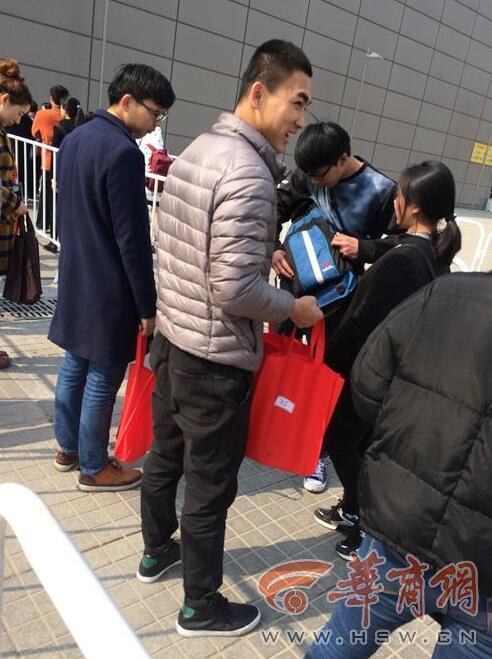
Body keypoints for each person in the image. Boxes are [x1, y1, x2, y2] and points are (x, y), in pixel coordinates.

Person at [138, 39, 322, 637]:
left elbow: (180, 242)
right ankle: (200, 607)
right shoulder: (248, 173)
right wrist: (294, 308)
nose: (301, 120)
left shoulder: (201, 149)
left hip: (174, 340)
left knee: (165, 456)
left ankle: (155, 552)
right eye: (297, 102)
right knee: (210, 488)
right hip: (213, 360)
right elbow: (235, 289)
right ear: (259, 92)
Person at [306, 270, 492, 659]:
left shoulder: (445, 293)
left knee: (336, 649)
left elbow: (367, 384)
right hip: (480, 569)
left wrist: (408, 430)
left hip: (400, 525)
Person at [313, 161, 462, 559]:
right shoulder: (434, 255)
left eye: (399, 194)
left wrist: (328, 359)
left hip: (370, 374)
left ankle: (365, 521)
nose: (394, 200)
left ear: (413, 206)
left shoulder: (403, 261)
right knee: (362, 445)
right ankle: (353, 508)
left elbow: (364, 324)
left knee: (341, 442)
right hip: (396, 377)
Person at [48, 63, 175, 492]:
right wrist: (147, 306)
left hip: (76, 273)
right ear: (127, 101)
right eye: (154, 112)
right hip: (109, 286)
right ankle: (95, 466)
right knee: (102, 375)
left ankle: (67, 448)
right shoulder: (123, 153)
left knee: (74, 364)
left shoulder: (75, 138)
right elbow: (132, 240)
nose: (156, 123)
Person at [274, 121, 398, 494]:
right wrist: (272, 248)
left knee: (329, 377)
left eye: (321, 175)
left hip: (341, 303)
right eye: (309, 176)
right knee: (282, 360)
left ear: (343, 158)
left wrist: (366, 248)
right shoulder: (308, 174)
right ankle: (275, 427)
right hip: (294, 289)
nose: (315, 182)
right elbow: (274, 208)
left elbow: (405, 242)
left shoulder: (381, 190)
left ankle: (317, 452)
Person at [32, 84, 68, 240]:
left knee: (46, 193)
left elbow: (34, 132)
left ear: (51, 98)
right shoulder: (67, 116)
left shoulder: (43, 114)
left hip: (47, 159)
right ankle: (55, 228)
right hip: (65, 161)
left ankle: (43, 223)